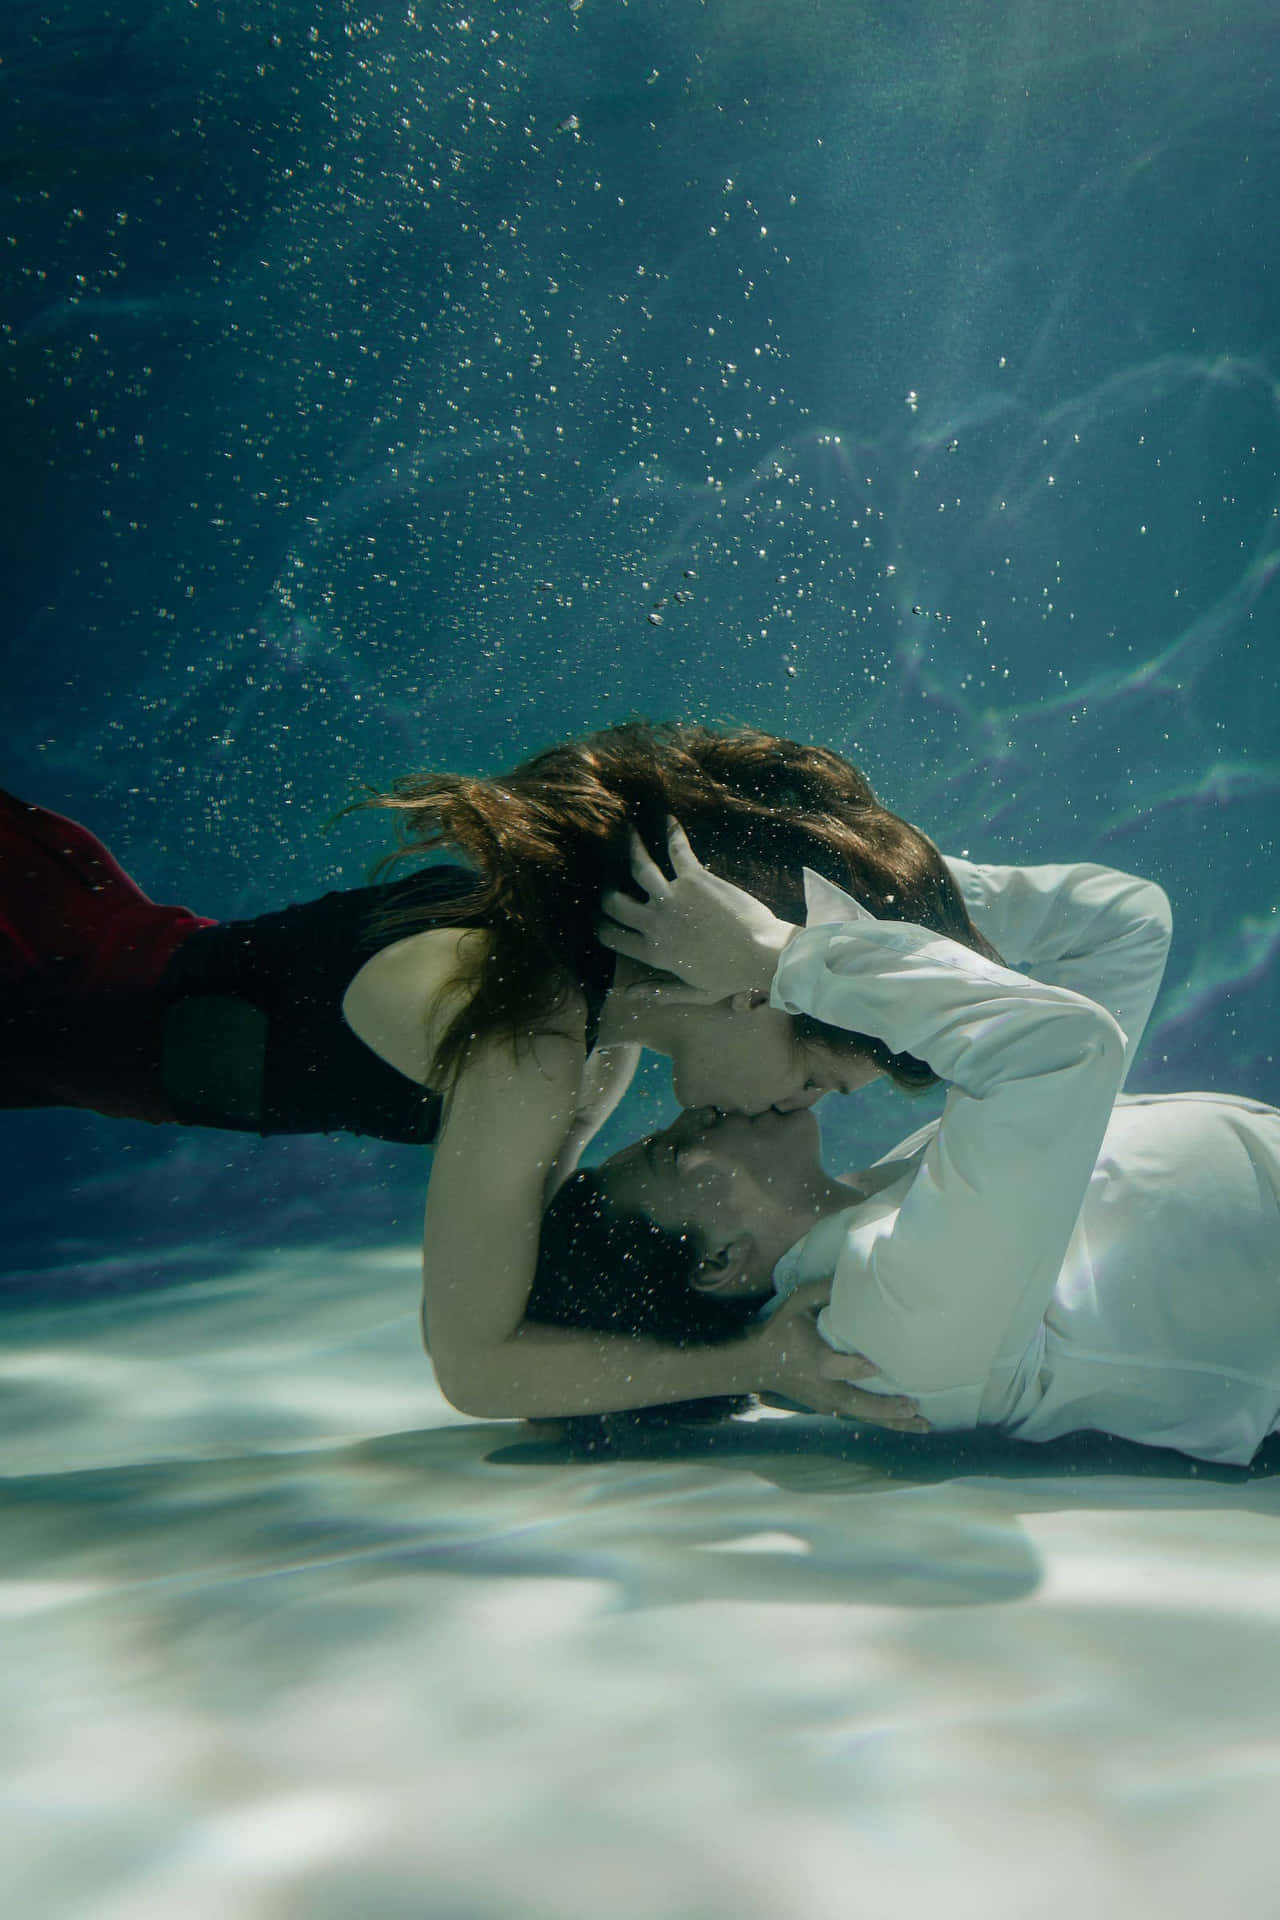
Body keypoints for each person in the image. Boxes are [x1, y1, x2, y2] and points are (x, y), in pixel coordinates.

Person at [1, 723, 994, 1425]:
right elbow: (476, 1367)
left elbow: (524, 1320)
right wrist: (751, 1362)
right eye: (814, 1078)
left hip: (63, 945)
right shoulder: (535, 1052)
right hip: (31, 974)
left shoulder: (582, 1036)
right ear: (752, 989)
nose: (795, 1109)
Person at [530, 827, 1280, 1468]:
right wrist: (779, 954)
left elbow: (1121, 923)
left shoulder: (903, 1191)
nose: (693, 1115)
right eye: (667, 1153)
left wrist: (849, 888)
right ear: (719, 1264)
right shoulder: (883, 1331)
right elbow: (1063, 1048)